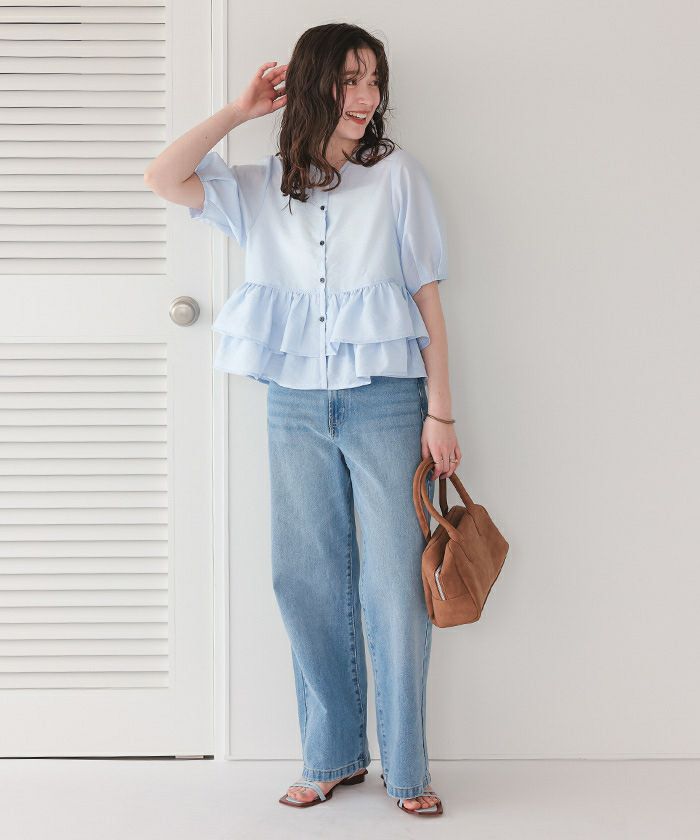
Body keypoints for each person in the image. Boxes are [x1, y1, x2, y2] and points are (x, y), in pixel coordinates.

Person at [144, 22, 460, 818]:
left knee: (395, 586)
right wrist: (238, 111)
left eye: (374, 80)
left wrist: (443, 412)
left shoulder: (396, 177)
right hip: (293, 405)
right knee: (305, 578)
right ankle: (331, 757)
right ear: (316, 84)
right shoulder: (260, 187)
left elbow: (427, 295)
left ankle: (408, 771)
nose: (366, 97)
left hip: (387, 399)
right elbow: (162, 176)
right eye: (350, 80)